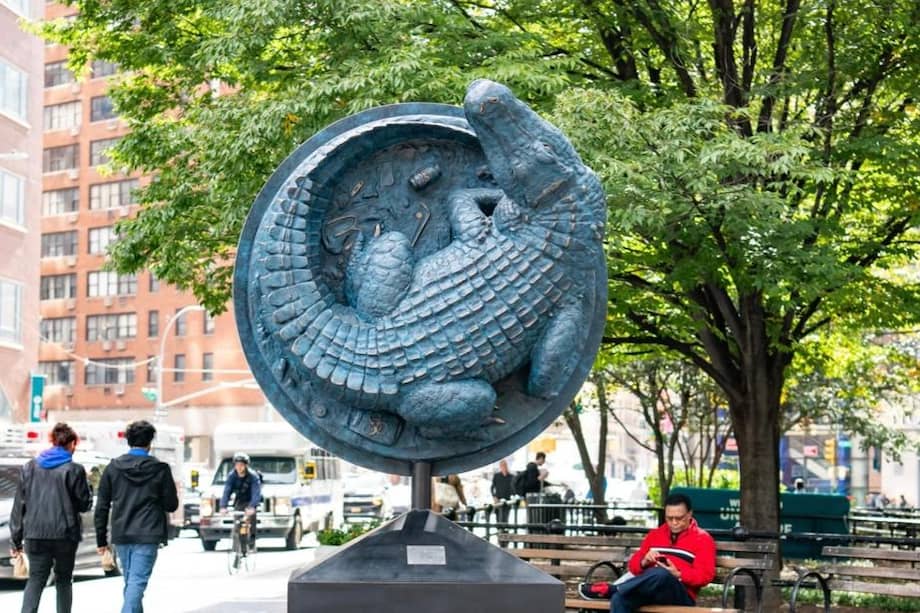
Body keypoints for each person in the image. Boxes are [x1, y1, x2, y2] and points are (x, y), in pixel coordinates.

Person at [578, 492, 716, 612]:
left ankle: (615, 588)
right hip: (649, 591)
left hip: (680, 595)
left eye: (679, 518)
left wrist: (678, 574)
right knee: (619, 599)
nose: (674, 522)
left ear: (690, 514)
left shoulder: (703, 539)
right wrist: (644, 561)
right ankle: (617, 591)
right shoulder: (656, 535)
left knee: (663, 573)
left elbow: (705, 576)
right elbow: (633, 566)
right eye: (669, 518)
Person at [95, 420, 178, 613]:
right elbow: (171, 505)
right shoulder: (160, 469)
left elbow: (102, 506)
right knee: (136, 584)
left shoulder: (113, 468)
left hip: (122, 534)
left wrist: (101, 540)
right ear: (150, 442)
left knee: (132, 583)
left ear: (128, 441)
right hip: (148, 534)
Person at [10, 423, 92, 613]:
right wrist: (88, 487)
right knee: (64, 580)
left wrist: (16, 540)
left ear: (52, 441)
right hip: (65, 536)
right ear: (71, 443)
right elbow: (84, 505)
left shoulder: (29, 467)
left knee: (36, 579)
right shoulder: (74, 469)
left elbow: (19, 506)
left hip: (35, 535)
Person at [219, 451, 262, 549]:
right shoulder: (232, 476)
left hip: (251, 501)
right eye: (237, 465)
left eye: (241, 465)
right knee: (237, 524)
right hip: (239, 501)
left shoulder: (253, 476)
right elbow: (227, 491)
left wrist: (252, 506)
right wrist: (223, 506)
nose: (239, 467)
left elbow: (256, 492)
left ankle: (252, 540)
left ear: (246, 465)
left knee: (251, 520)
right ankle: (237, 549)